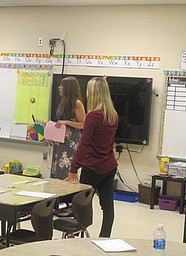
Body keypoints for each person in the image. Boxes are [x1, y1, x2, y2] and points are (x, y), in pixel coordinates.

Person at [67, 76, 119, 238]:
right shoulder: (113, 115)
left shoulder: (93, 116)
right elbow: (110, 142)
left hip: (93, 168)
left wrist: (73, 169)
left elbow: (84, 144)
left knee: (80, 205)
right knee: (108, 208)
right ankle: (104, 239)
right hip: (109, 167)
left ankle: (75, 236)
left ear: (93, 93)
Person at [50, 76, 85, 180]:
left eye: (62, 86)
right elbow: (59, 123)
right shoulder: (63, 102)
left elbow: (83, 124)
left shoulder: (77, 104)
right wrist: (52, 136)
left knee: (66, 170)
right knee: (56, 170)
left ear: (68, 88)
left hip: (70, 142)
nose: (59, 88)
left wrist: (66, 122)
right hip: (60, 141)